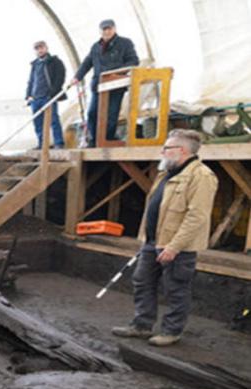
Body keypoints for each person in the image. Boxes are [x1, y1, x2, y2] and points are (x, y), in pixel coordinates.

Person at [111, 130, 217, 347]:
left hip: (177, 246)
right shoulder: (166, 173)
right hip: (153, 242)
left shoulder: (202, 177)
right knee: (142, 281)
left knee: (176, 288)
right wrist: (146, 239)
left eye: (166, 148)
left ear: (182, 151)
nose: (162, 152)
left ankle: (171, 331)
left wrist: (174, 246)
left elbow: (197, 216)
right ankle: (142, 325)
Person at [71, 19, 139, 147]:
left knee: (111, 114)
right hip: (98, 85)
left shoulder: (125, 43)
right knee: (92, 113)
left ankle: (108, 139)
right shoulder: (96, 47)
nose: (107, 31)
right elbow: (87, 62)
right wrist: (77, 77)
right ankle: (94, 139)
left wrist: (117, 72)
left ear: (114, 29)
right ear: (100, 31)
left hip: (116, 84)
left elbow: (134, 61)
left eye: (109, 28)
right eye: (104, 29)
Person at [26, 41, 66, 149]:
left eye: (41, 47)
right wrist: (28, 95)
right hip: (35, 98)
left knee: (53, 120)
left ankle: (59, 143)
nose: (39, 50)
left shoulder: (55, 61)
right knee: (38, 123)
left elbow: (60, 77)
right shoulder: (35, 65)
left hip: (48, 97)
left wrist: (53, 93)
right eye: (37, 48)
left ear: (46, 48)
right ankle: (42, 144)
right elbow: (31, 81)